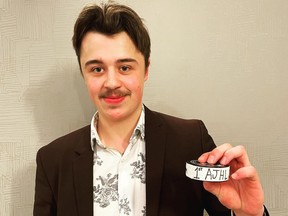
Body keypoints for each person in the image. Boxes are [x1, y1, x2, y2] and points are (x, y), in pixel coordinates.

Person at [33, 2, 269, 216]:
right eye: (97, 69)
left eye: (125, 67)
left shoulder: (191, 141)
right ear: (83, 73)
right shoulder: (52, 161)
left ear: (145, 69)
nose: (112, 82)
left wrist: (249, 214)